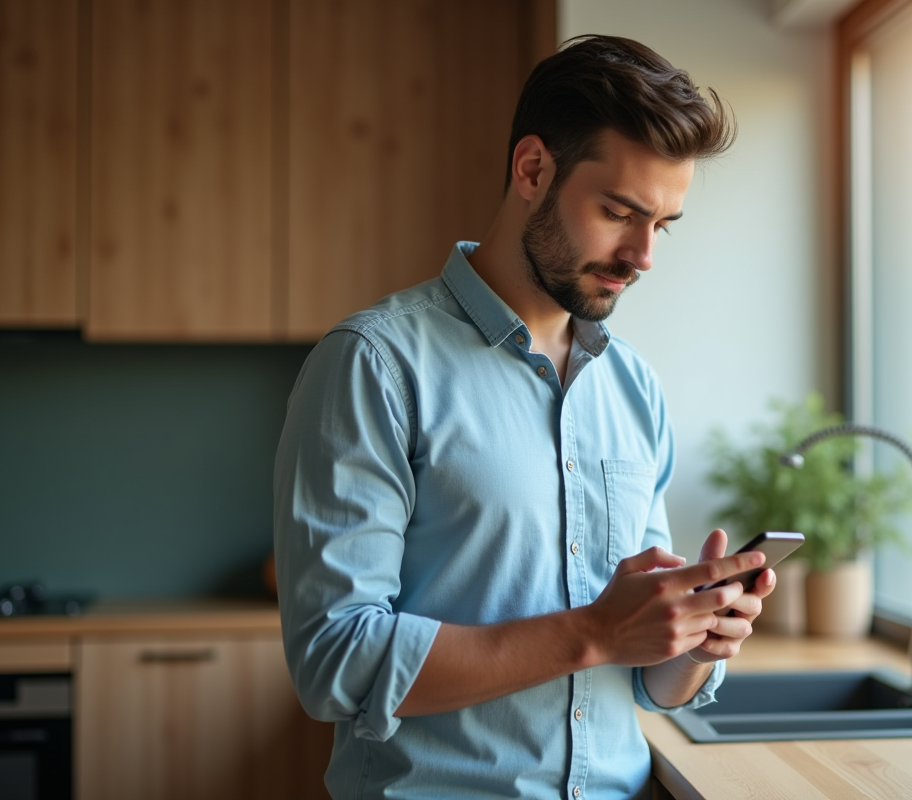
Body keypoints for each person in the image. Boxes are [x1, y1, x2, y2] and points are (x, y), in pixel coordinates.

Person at [273, 34, 777, 800]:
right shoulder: (374, 365)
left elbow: (648, 683)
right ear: (533, 170)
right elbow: (334, 662)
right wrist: (595, 632)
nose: (643, 255)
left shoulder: (633, 387)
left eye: (663, 224)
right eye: (618, 212)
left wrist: (696, 637)